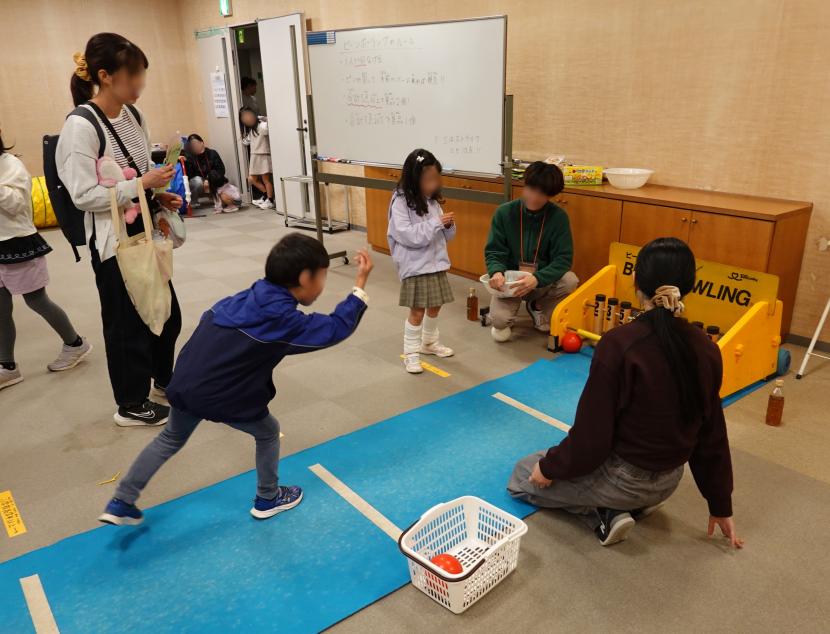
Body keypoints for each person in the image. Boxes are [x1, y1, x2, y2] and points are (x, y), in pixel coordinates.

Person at [98, 234, 373, 525]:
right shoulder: (282, 321)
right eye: (322, 277)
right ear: (305, 278)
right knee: (268, 432)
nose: (323, 284)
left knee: (170, 438)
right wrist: (359, 286)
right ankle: (268, 498)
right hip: (221, 395)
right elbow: (334, 328)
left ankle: (121, 501)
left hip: (185, 384)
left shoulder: (245, 297)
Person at [508, 238, 743, 549]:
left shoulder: (620, 344)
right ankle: (629, 505)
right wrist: (720, 504)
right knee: (556, 463)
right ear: (689, 286)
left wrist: (550, 467)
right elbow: (712, 433)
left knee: (523, 474)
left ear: (637, 283)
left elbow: (592, 437)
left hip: (624, 480)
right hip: (669, 481)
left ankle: (604, 512)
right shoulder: (706, 348)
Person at [56, 33, 182, 426]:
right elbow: (83, 195)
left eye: (142, 73)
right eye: (133, 74)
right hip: (112, 241)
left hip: (145, 228)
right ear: (105, 76)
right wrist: (141, 185)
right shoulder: (81, 126)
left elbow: (138, 173)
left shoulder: (133, 116)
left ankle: (163, 379)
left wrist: (158, 195)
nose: (140, 82)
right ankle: (130, 403)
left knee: (166, 313)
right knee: (127, 324)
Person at [0, 132, 91, 389]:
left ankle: (75, 343)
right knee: (1, 309)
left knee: (37, 300)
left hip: (18, 242)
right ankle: (7, 366)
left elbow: (18, 204)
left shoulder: (11, 165)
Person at [484, 161, 578, 343]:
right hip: (510, 283)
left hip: (541, 282)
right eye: (531, 189)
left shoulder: (558, 218)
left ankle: (537, 305)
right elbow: (494, 250)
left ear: (551, 195)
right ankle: (507, 312)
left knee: (570, 280)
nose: (534, 197)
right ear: (524, 185)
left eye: (542, 194)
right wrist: (496, 272)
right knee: (499, 321)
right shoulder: (504, 213)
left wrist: (538, 278)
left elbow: (563, 259)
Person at [387, 149, 456, 374]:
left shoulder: (433, 201)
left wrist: (448, 225)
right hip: (415, 265)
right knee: (417, 311)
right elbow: (408, 236)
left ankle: (429, 342)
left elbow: (447, 237)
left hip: (436, 262)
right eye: (428, 180)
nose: (433, 184)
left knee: (435, 304)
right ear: (413, 179)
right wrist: (436, 223)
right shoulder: (400, 202)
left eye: (436, 179)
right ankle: (411, 353)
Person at [239, 107, 274, 209]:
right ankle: (266, 196)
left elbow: (267, 130)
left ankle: (270, 200)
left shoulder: (261, 125)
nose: (247, 118)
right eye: (244, 117)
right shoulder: (252, 130)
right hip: (255, 156)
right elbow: (246, 142)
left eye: (248, 115)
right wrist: (244, 135)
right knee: (251, 179)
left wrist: (266, 120)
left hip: (263, 155)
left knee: (265, 179)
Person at [184, 133, 226, 208]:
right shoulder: (190, 157)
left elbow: (221, 170)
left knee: (217, 176)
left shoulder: (212, 153)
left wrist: (208, 179)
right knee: (196, 181)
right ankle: (194, 202)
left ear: (202, 143)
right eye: (192, 145)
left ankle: (215, 197)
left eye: (196, 143)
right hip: (200, 182)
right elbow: (189, 176)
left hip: (212, 179)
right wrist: (187, 162)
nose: (194, 146)